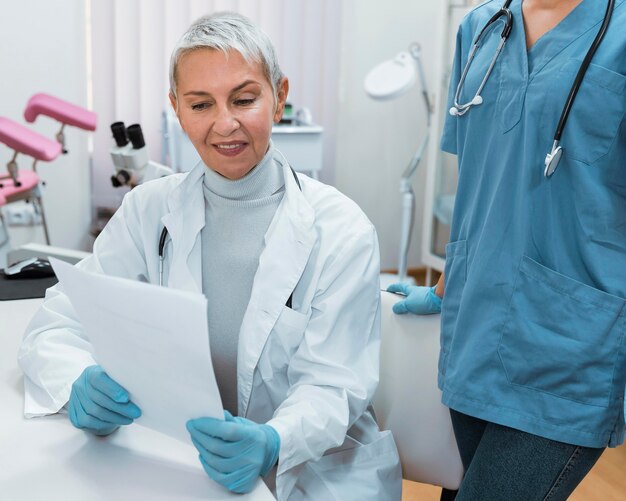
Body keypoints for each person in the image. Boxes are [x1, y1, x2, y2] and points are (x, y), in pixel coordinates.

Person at [18, 12, 401, 500]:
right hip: (178, 462)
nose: (226, 124)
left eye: (244, 99)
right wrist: (76, 382)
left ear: (279, 96)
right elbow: (56, 324)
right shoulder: (148, 208)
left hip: (315, 475)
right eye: (201, 104)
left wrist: (273, 441)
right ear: (177, 108)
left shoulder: (341, 230)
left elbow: (335, 384)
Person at [388, 0, 625, 499]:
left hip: (571, 351)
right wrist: (447, 285)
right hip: (473, 329)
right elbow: (481, 173)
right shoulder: (479, 27)